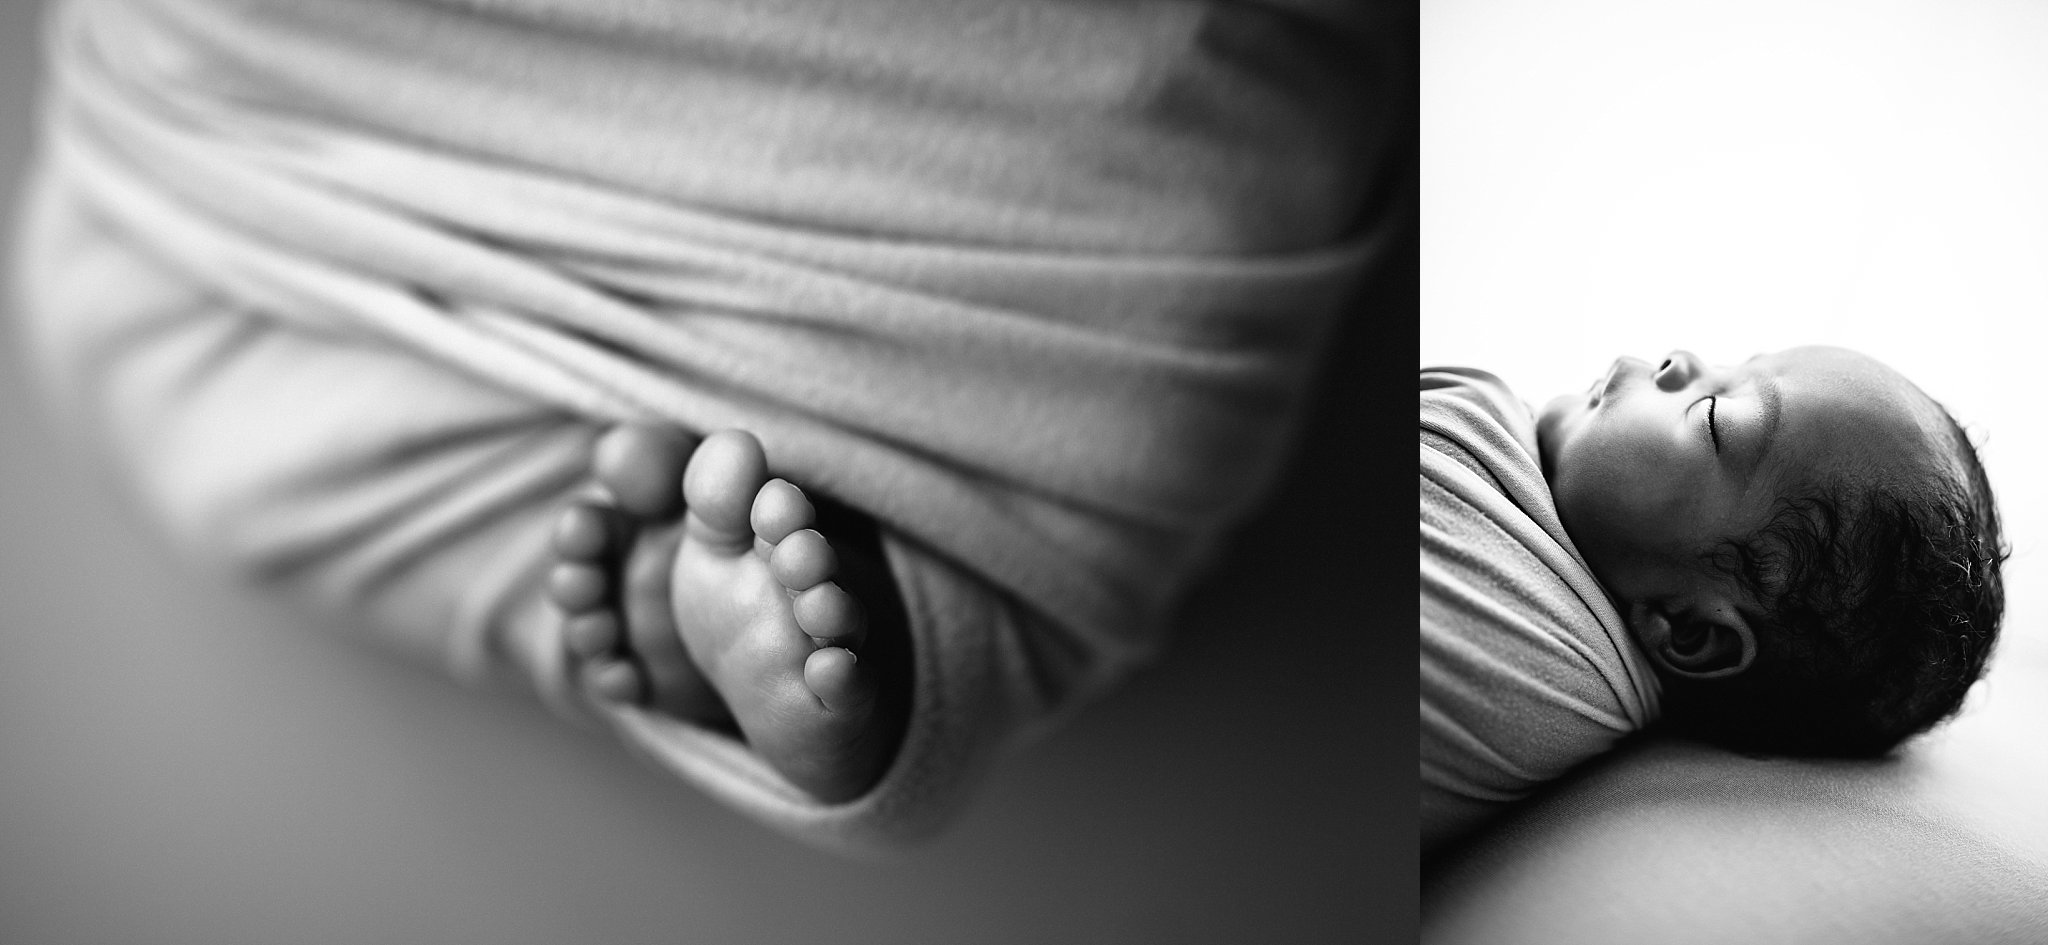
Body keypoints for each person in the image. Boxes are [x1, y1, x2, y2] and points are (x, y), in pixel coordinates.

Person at [14, 0, 1403, 850]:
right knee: (157, 377)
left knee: (151, 361)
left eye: (1619, 379)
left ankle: (788, 606)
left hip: (241, 118)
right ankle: (804, 616)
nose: (1623, 364)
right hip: (215, 156)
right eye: (1625, 372)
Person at [1419, 347, 2005, 850]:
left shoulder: (1473, 419)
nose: (1682, 360)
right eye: (1731, 363)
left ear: (1691, 630)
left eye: (1714, 416)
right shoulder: (1581, 693)